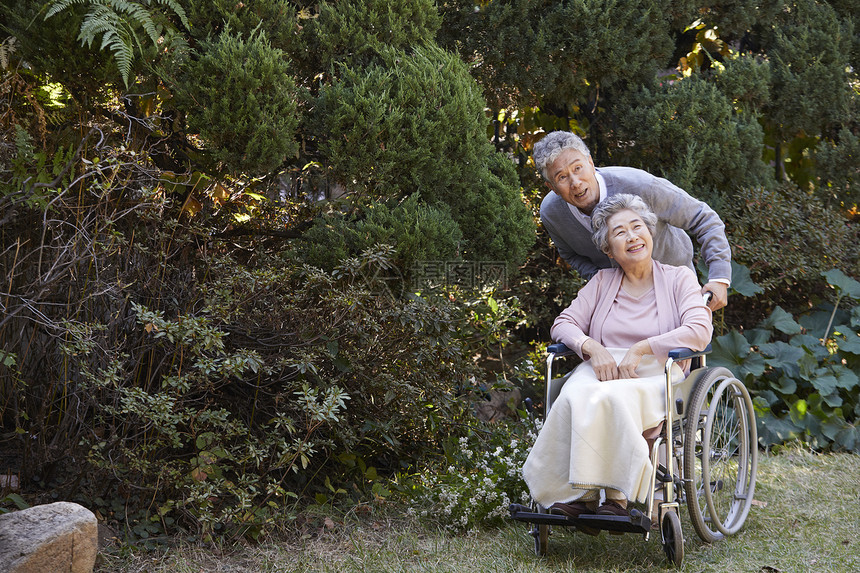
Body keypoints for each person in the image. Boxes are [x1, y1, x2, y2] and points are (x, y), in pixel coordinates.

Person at [521, 194, 712, 522]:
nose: (632, 236)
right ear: (608, 248)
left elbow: (698, 330)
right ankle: (580, 496)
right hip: (602, 365)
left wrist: (642, 348)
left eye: (637, 227)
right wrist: (592, 348)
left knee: (614, 398)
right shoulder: (602, 282)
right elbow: (563, 324)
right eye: (619, 232)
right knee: (574, 395)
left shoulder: (679, 278)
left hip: (656, 370)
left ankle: (618, 497)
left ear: (650, 234)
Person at [534, 130, 731, 311]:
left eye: (578, 168)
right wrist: (604, 281)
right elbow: (570, 255)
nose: (575, 183)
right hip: (618, 306)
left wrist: (719, 277)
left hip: (676, 291)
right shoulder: (552, 213)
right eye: (562, 177)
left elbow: (704, 218)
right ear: (551, 187)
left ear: (591, 164)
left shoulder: (641, 185)